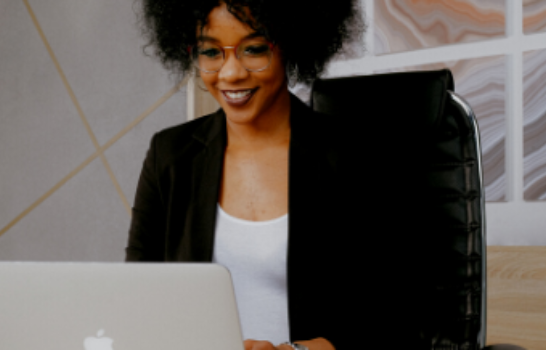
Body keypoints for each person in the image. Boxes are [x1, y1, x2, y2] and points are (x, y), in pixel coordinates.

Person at [125, 1, 432, 349]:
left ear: (292, 44)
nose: (230, 74)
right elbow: (138, 294)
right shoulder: (170, 155)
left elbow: (399, 322)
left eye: (254, 49)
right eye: (211, 52)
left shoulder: (353, 158)